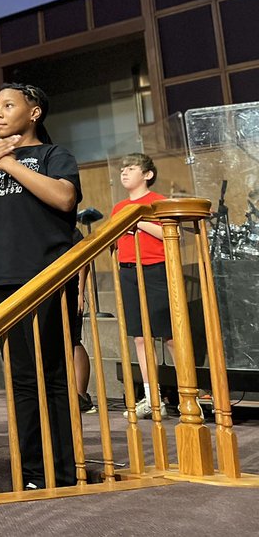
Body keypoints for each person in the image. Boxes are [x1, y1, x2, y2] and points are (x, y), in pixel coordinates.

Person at [0, 83, 81, 489]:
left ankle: (60, 472)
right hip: (2, 281)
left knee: (53, 376)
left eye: (8, 105)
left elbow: (64, 199)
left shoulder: (52, 155)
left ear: (34, 113)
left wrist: (8, 164)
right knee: (22, 379)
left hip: (45, 277)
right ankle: (31, 473)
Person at [113, 153, 170, 420]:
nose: (124, 172)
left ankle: (188, 393)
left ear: (147, 174)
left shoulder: (157, 202)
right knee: (139, 336)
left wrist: (139, 223)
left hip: (156, 270)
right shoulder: (119, 206)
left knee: (170, 335)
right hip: (128, 272)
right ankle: (151, 397)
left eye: (131, 168)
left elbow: (168, 234)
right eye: (123, 168)